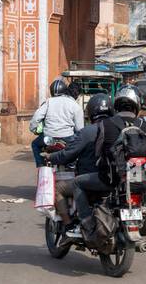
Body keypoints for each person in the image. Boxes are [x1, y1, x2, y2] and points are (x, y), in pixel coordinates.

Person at [73, 86, 146, 233]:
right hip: (138, 179)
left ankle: (87, 221)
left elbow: (98, 150)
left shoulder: (107, 124)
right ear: (137, 105)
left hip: (111, 179)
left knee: (77, 183)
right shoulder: (143, 124)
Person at [47, 94, 111, 234]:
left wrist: (51, 157)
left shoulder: (86, 132)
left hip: (94, 179)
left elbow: (68, 154)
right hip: (115, 179)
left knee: (58, 188)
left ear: (91, 112)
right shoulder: (116, 128)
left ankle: (71, 225)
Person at [28, 79, 84, 167]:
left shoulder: (48, 102)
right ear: (65, 90)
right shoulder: (74, 105)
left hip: (48, 138)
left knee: (35, 144)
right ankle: (72, 165)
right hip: (67, 139)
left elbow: (36, 117)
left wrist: (33, 129)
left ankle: (41, 165)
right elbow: (80, 129)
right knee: (77, 150)